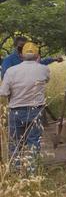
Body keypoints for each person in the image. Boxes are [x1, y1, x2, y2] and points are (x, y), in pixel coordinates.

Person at [0, 42, 50, 175]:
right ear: (37, 55)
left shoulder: (11, 71)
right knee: (34, 141)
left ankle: (16, 172)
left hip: (16, 111)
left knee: (15, 142)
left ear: (21, 55)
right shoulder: (43, 69)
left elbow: (3, 93)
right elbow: (46, 79)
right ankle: (32, 171)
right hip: (36, 110)